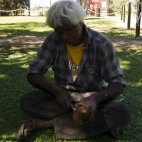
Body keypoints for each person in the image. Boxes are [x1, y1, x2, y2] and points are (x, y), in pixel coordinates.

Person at [17, 0, 132, 141]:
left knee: (122, 112)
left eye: (69, 29)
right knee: (28, 101)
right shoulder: (53, 41)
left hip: (93, 96)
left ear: (80, 22)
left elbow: (118, 82)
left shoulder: (101, 43)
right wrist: (57, 91)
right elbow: (33, 73)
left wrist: (94, 100)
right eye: (59, 31)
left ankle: (45, 123)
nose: (65, 36)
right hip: (64, 98)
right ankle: (99, 122)